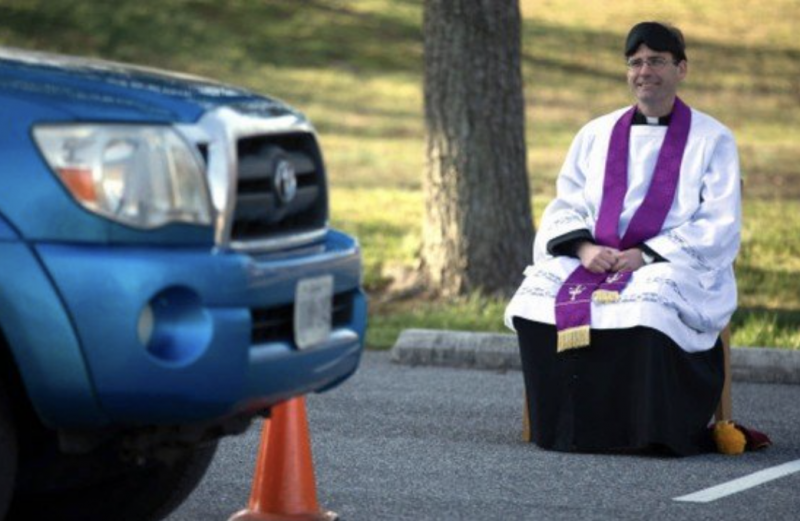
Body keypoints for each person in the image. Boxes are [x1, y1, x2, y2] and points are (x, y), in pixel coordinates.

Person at [504, 21, 742, 456]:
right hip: (596, 255)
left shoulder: (713, 139)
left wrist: (646, 255)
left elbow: (719, 222)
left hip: (672, 260)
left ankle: (644, 432)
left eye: (656, 61)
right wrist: (584, 247)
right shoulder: (596, 134)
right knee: (533, 298)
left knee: (649, 304)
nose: (644, 71)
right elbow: (567, 203)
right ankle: (562, 428)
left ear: (681, 68)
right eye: (635, 62)